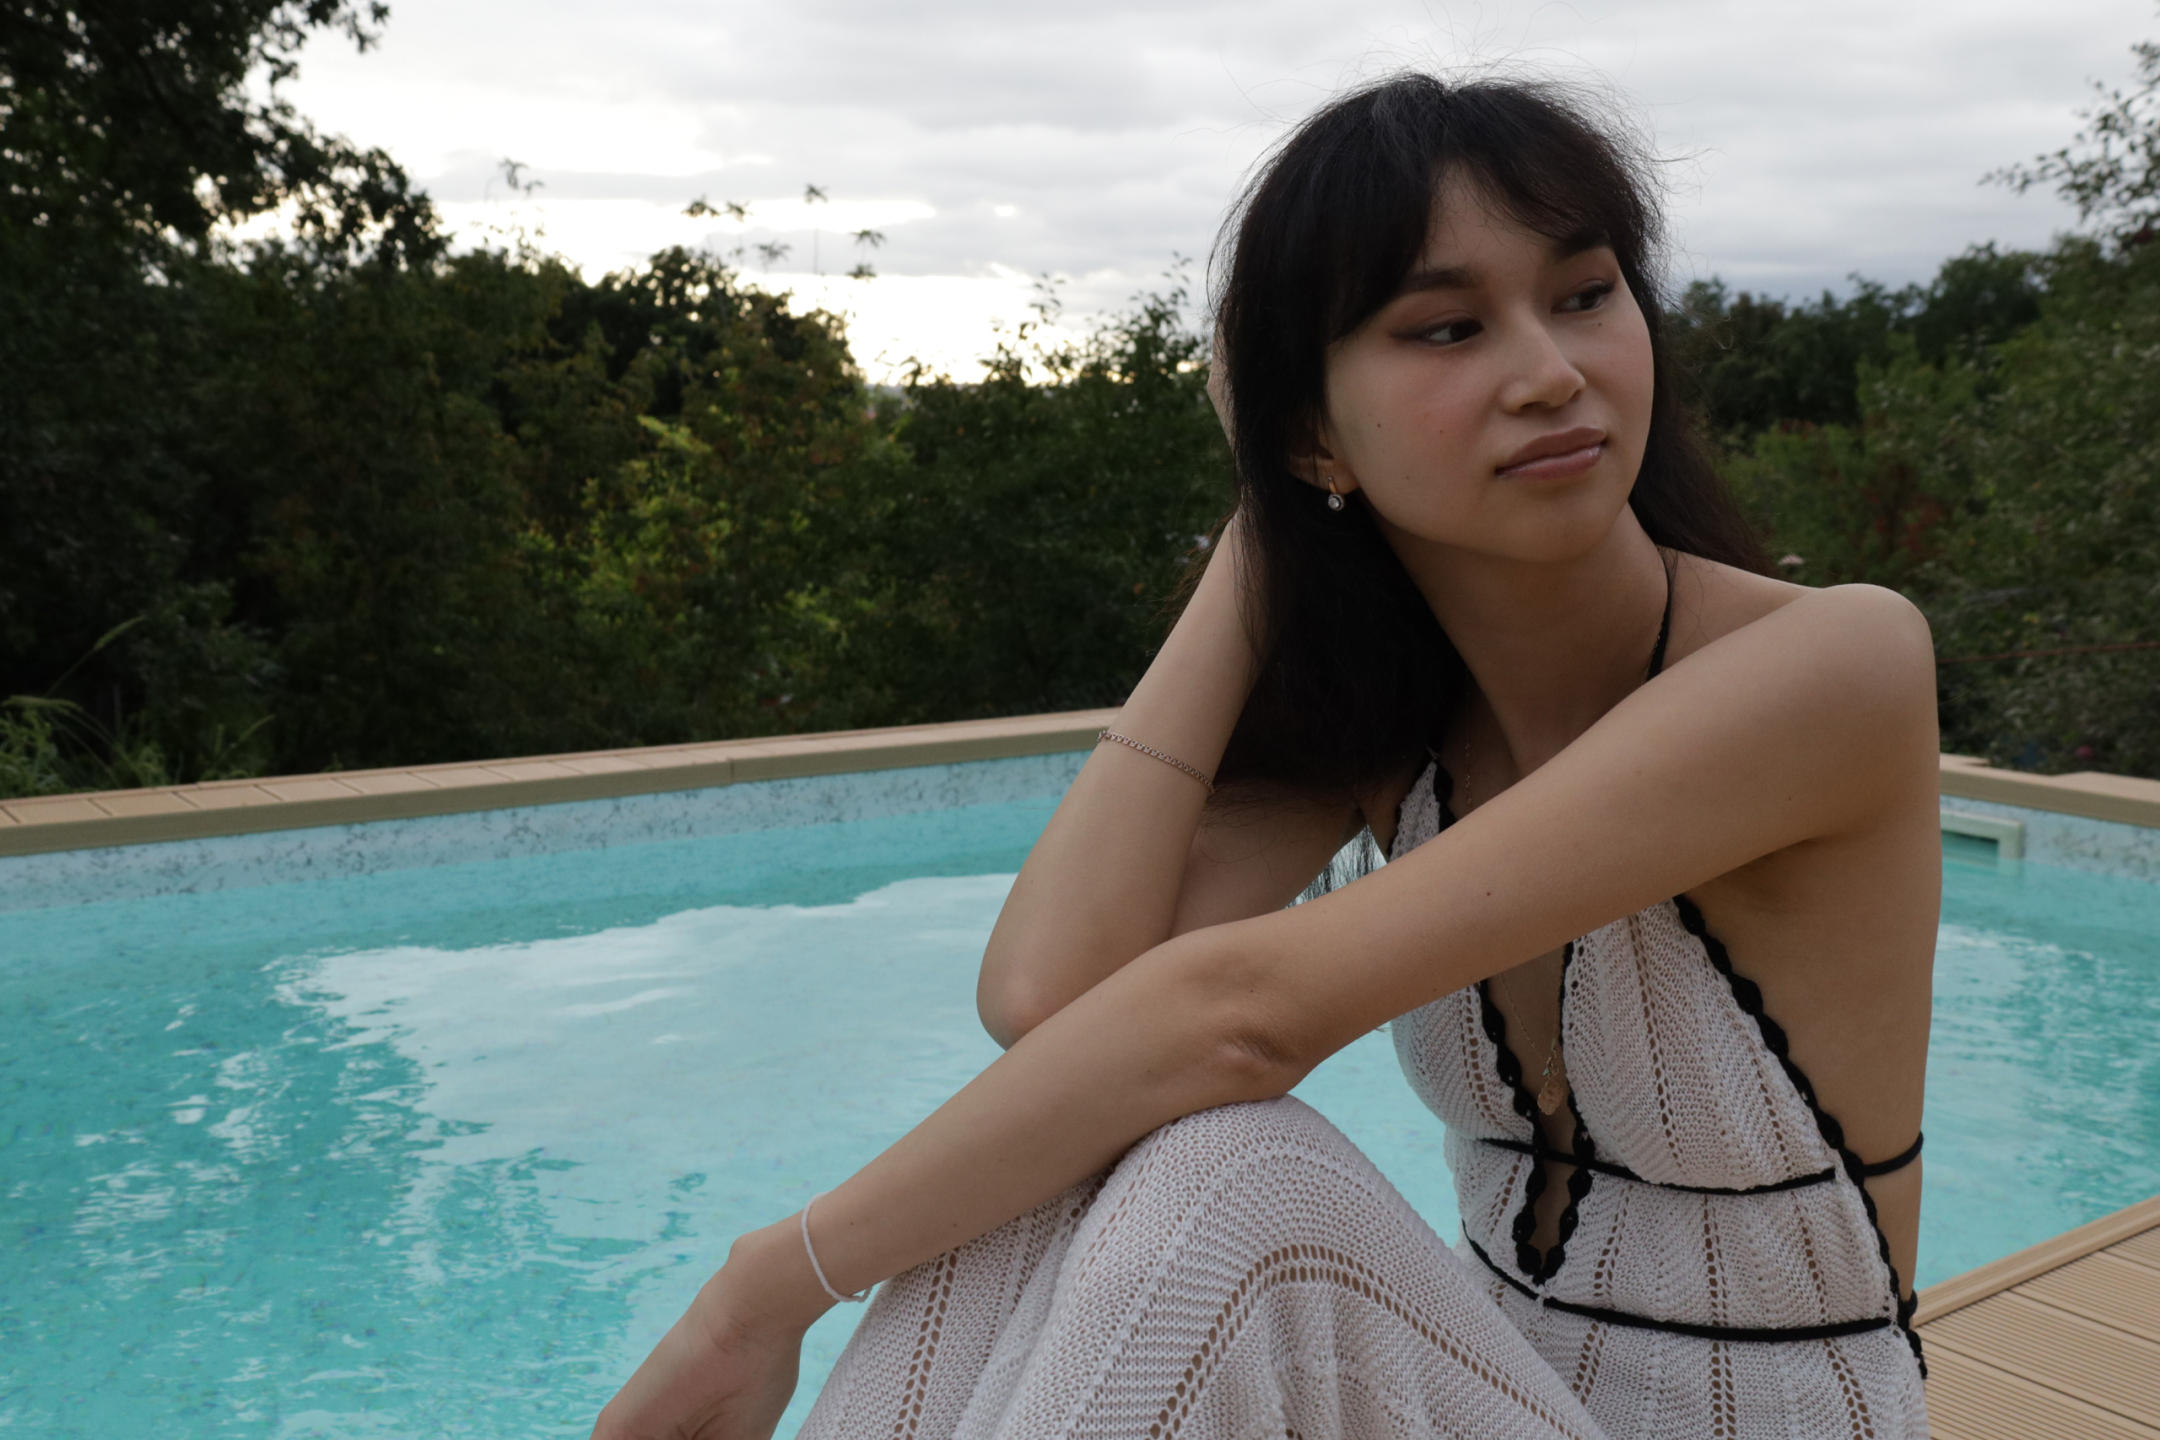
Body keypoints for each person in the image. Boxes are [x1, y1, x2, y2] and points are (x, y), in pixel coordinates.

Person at [592, 71, 1939, 1440]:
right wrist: (1268, 522)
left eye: (1587, 294)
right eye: (1450, 327)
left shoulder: (1836, 668)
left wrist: (763, 1293)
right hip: (1482, 1397)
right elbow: (1056, 999)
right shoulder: (1401, 729)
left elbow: (1239, 1017)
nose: (1552, 373)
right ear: (1313, 432)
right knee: (1067, 1138)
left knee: (1232, 1169)